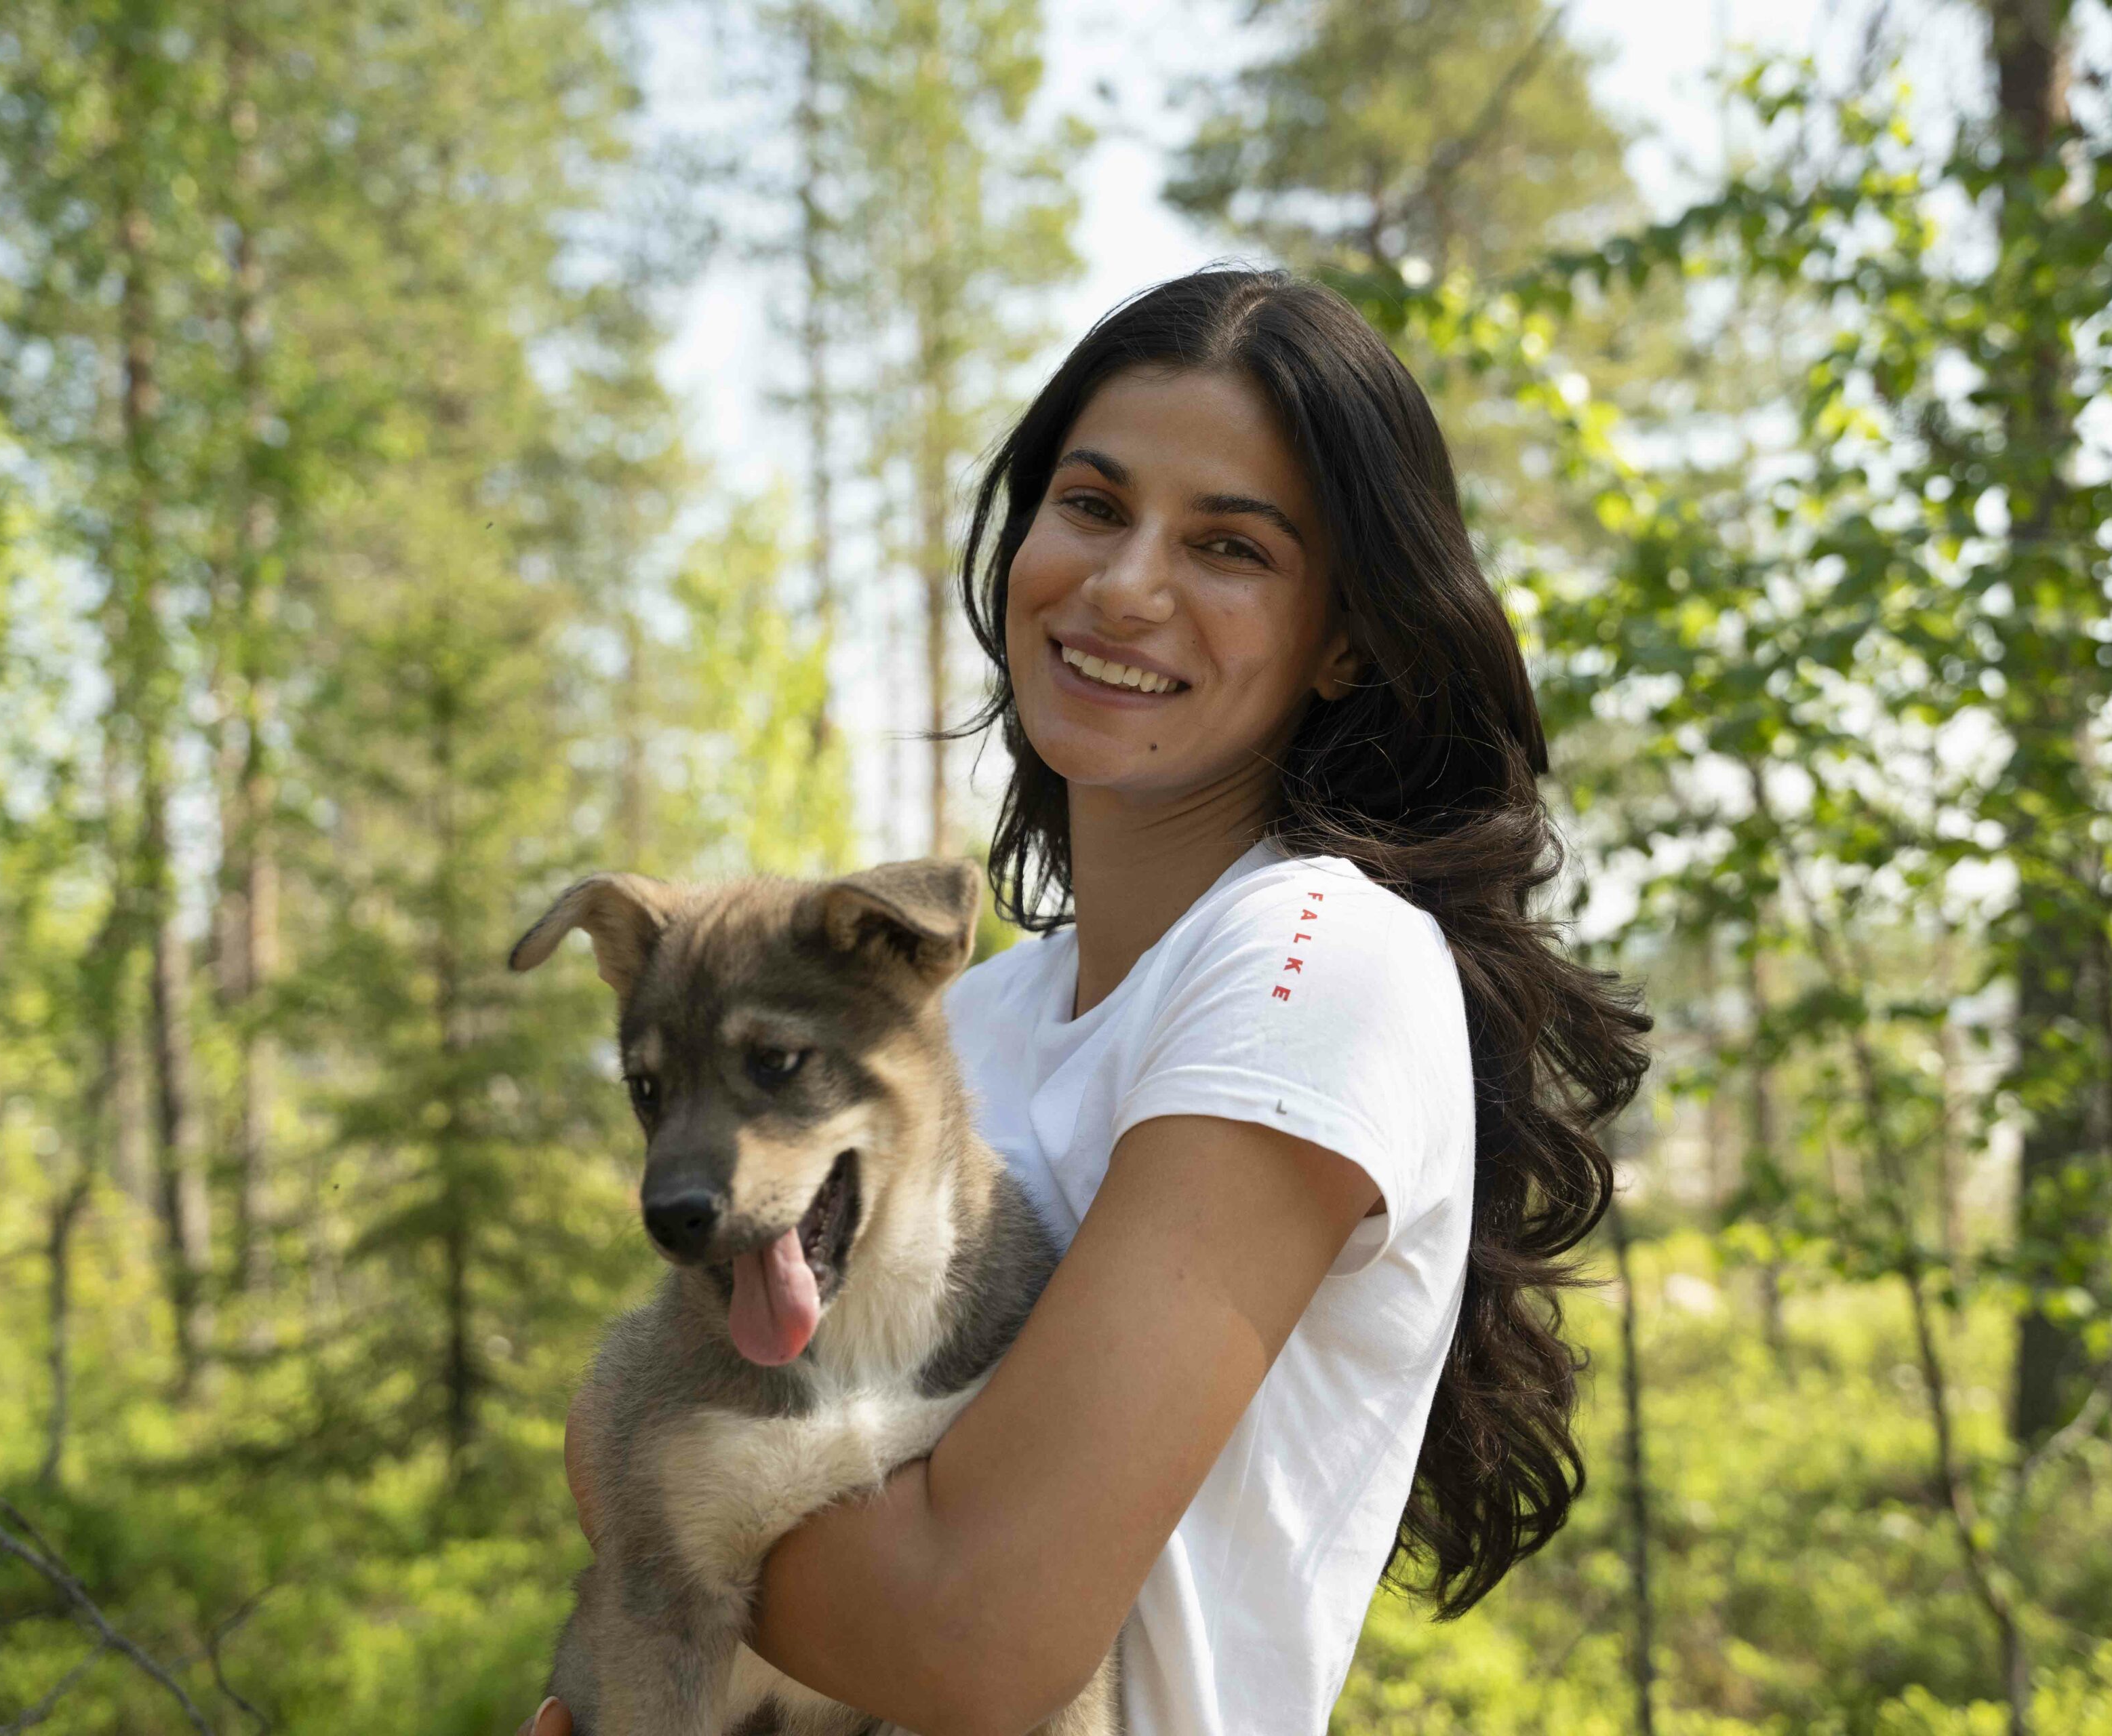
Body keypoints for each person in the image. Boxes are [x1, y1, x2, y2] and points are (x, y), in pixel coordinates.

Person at [521, 266, 1649, 1735]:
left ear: (1348, 638)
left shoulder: (1317, 953)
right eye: (1095, 506)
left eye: (1231, 545)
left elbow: (977, 1634)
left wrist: (636, 1493)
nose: (1125, 585)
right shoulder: (969, 1026)